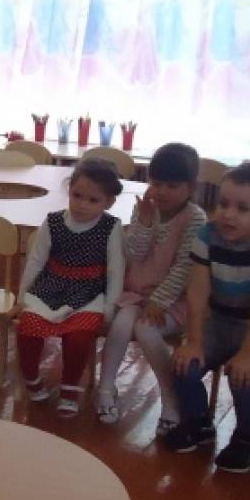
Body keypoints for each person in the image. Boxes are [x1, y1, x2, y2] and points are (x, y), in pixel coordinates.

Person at [165, 161, 250, 473]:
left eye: (242, 208)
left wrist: (248, 353)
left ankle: (247, 439)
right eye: (223, 204)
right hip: (220, 323)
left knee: (245, 376)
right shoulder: (207, 234)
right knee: (183, 364)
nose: (228, 214)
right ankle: (199, 424)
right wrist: (194, 341)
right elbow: (197, 292)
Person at [95, 143, 206, 431]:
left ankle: (170, 398)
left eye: (172, 186)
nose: (162, 192)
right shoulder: (145, 208)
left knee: (145, 329)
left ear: (191, 187)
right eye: (156, 183)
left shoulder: (195, 218)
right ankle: (105, 388)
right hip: (136, 294)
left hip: (173, 301)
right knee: (121, 325)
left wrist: (159, 301)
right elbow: (134, 254)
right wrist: (144, 222)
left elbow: (185, 267)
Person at [13, 157, 125, 417]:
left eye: (93, 200)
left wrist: (109, 309)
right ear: (69, 191)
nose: (82, 204)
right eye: (77, 195)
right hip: (49, 288)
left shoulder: (111, 227)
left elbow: (116, 270)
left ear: (109, 202)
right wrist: (22, 298)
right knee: (27, 329)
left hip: (89, 293)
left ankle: (70, 388)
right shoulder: (53, 222)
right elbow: (36, 260)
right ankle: (31, 379)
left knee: (79, 337)